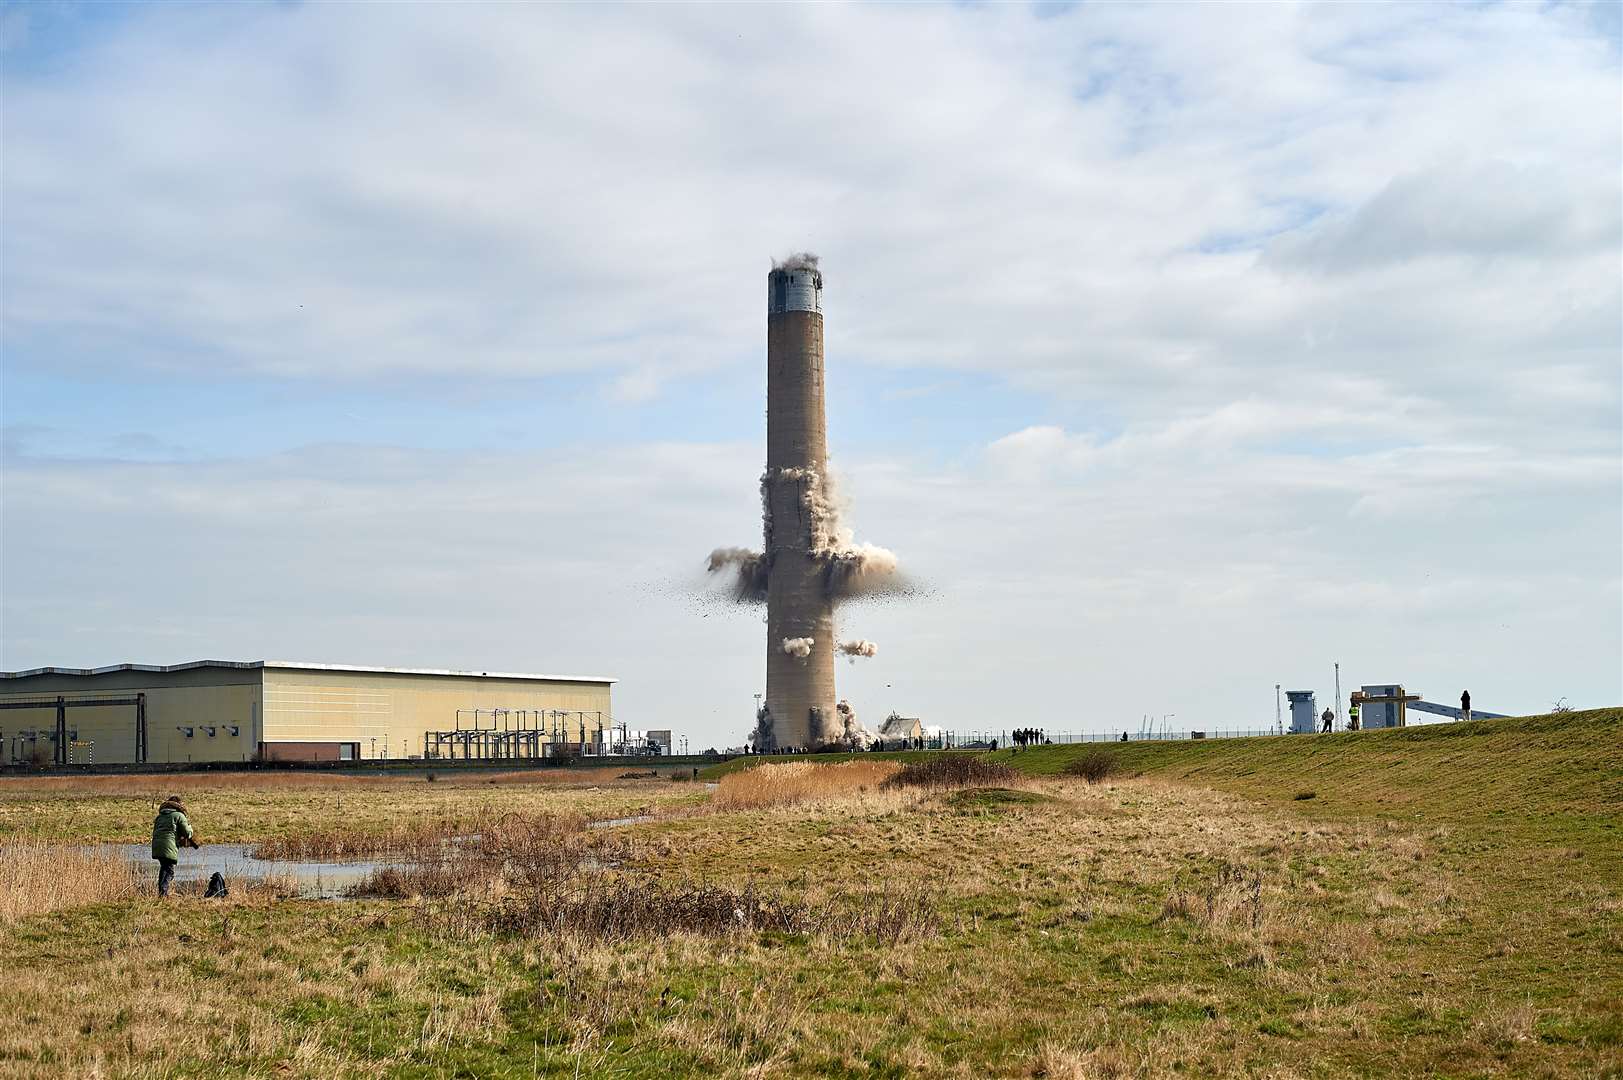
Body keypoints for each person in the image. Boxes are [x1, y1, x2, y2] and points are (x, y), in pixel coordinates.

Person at [151, 795, 199, 898]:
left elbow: (155, 832)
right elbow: (187, 833)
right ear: (179, 806)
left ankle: (162, 893)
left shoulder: (159, 816)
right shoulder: (178, 816)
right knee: (170, 871)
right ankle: (163, 894)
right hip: (168, 845)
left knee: (164, 868)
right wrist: (190, 829)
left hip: (156, 845)